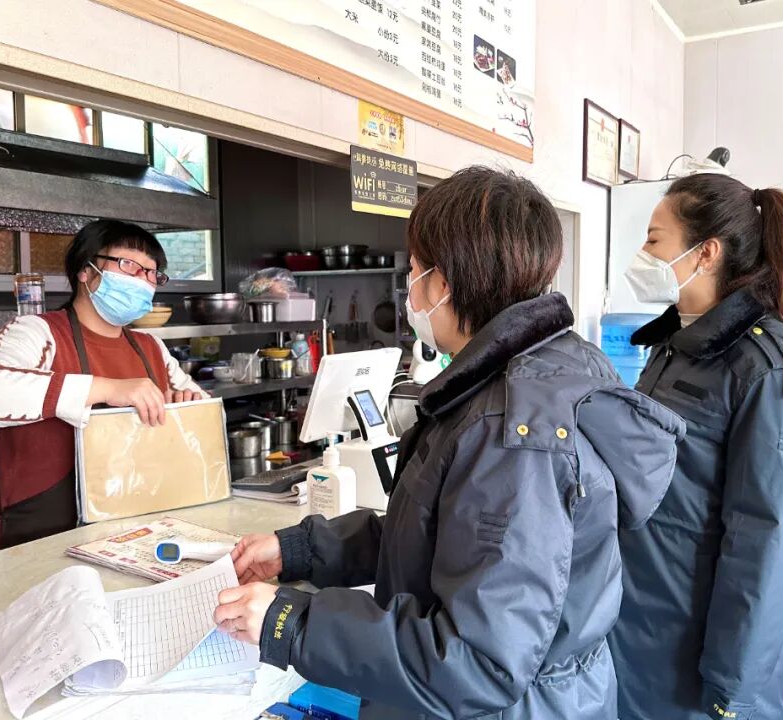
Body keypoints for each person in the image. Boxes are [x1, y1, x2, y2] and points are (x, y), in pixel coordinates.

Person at [211, 166, 685, 719]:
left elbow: (476, 660)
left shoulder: (511, 431)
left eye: (415, 269)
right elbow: (433, 533)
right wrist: (299, 551)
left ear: (445, 283)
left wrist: (291, 623)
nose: (409, 289)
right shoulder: (542, 370)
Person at [612, 174, 783, 720]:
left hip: (701, 653)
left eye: (654, 239)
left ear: (706, 253)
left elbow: (771, 541)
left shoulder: (765, 370)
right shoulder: (674, 345)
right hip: (646, 623)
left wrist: (734, 686)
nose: (642, 254)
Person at [0, 220, 204, 551]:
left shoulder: (151, 347)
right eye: (128, 264)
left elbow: (201, 421)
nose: (143, 280)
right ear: (85, 270)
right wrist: (107, 389)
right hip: (38, 546)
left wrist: (186, 406)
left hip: (134, 540)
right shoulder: (38, 332)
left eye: (151, 272)